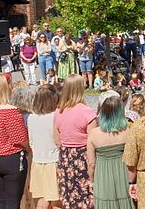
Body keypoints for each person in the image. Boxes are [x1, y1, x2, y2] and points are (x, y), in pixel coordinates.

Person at [0, 74, 30, 209]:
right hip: (11, 158)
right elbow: (20, 138)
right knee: (13, 202)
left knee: (1, 201)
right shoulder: (11, 111)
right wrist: (29, 149)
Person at [54, 74, 97, 209]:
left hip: (66, 159)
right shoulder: (87, 112)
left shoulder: (58, 112)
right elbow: (93, 140)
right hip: (83, 157)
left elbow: (57, 141)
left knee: (69, 197)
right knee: (87, 198)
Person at [87, 96, 134, 209]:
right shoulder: (129, 131)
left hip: (102, 177)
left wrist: (92, 181)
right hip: (123, 174)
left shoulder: (94, 134)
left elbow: (91, 164)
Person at [28, 85, 61, 209]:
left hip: (37, 162)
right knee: (56, 201)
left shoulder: (31, 118)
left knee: (41, 200)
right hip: (53, 161)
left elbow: (31, 142)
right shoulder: (55, 116)